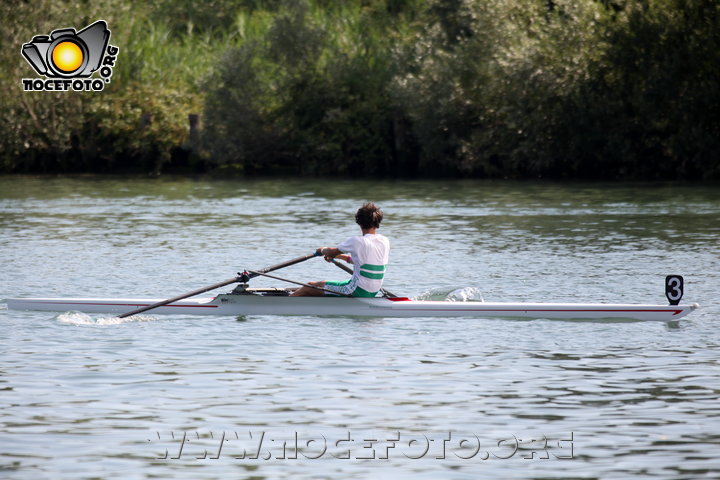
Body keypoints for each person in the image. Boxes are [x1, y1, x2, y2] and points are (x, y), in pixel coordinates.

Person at [291, 202, 389, 297]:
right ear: (378, 222)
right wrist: (339, 256)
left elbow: (331, 251)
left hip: (356, 290)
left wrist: (322, 250)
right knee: (318, 285)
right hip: (373, 291)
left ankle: (284, 305)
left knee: (309, 286)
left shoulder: (357, 241)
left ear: (359, 222)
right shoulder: (384, 241)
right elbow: (360, 262)